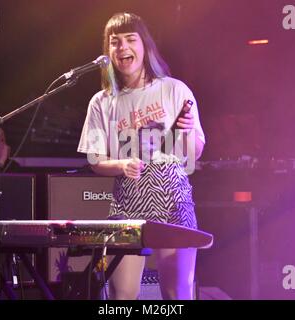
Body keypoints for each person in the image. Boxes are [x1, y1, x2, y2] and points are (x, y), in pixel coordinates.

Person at [77, 12, 205, 300]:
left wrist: (184, 134)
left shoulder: (174, 89)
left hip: (172, 194)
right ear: (108, 51)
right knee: (121, 296)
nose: (123, 48)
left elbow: (194, 154)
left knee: (177, 296)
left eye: (130, 40)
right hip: (128, 199)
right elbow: (95, 161)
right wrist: (122, 164)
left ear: (144, 46)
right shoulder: (102, 102)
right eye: (115, 42)